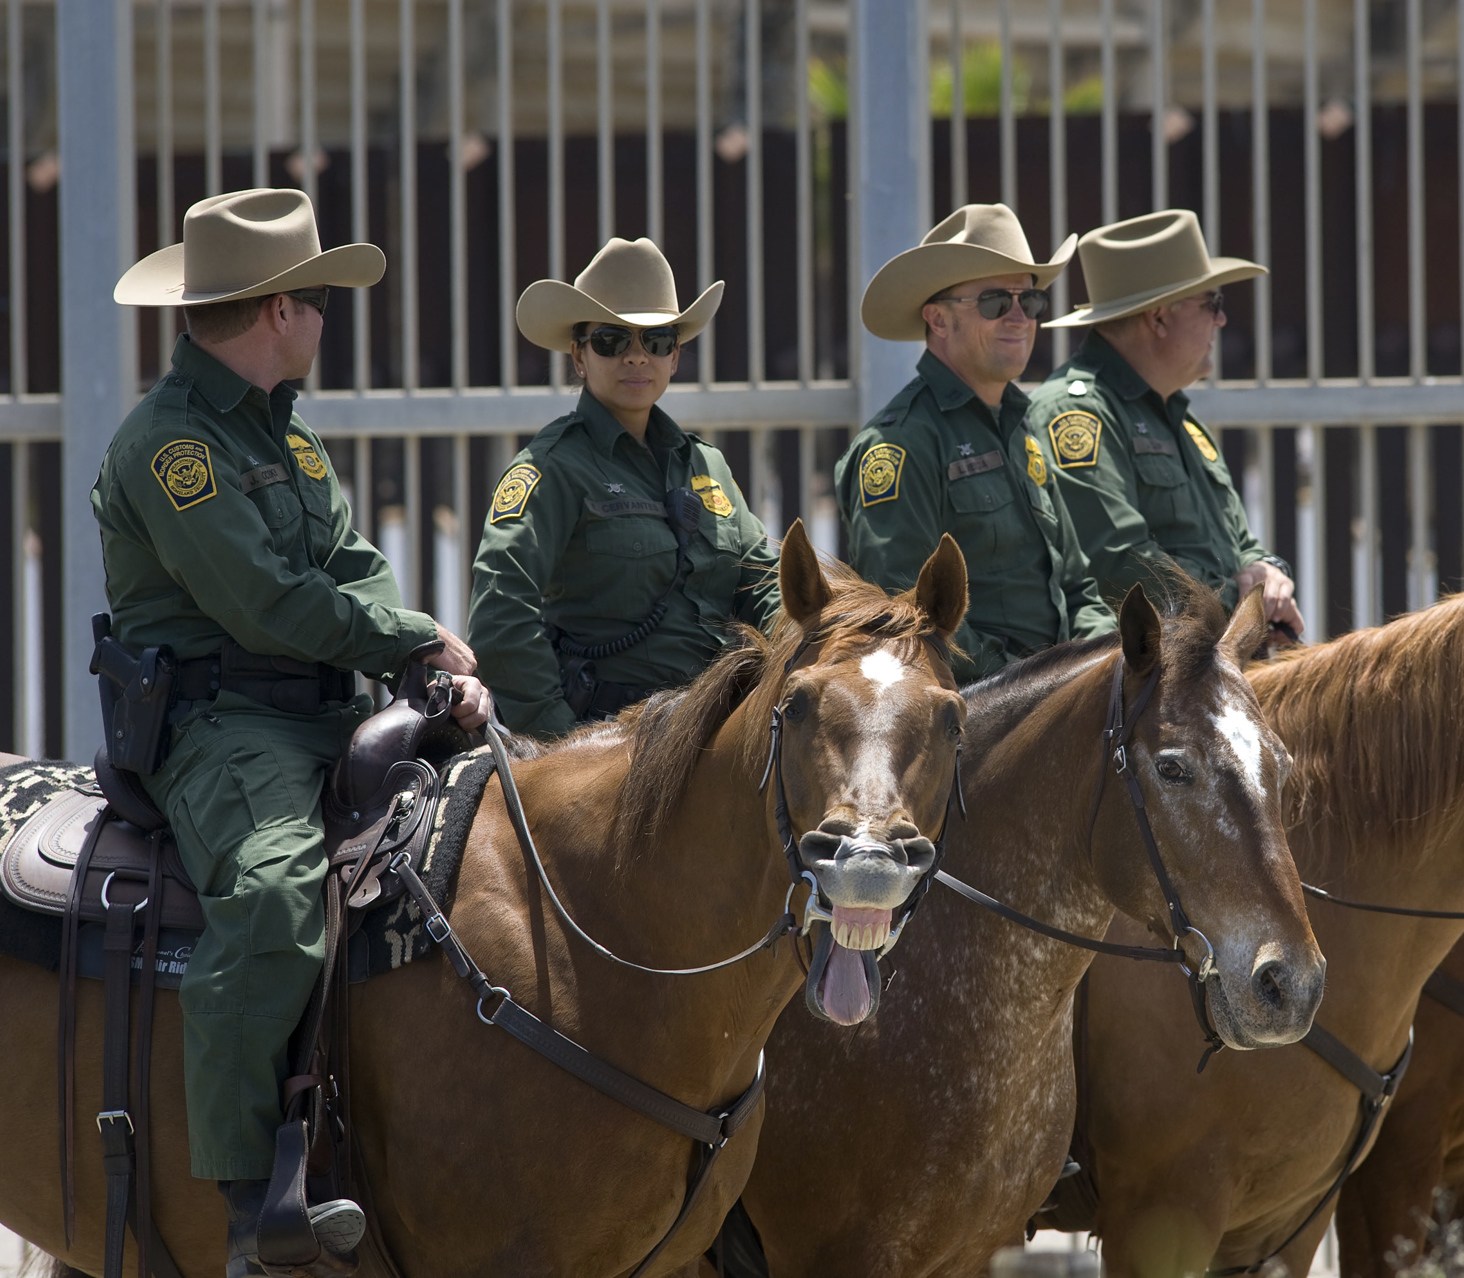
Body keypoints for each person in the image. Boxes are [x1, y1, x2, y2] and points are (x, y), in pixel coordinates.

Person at [97, 187, 492, 1275]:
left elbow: (350, 564)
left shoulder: (288, 429)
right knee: (275, 898)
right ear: (279, 309)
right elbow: (265, 600)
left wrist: (421, 665)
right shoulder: (169, 447)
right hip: (224, 729)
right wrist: (415, 635)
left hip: (328, 710)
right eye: (319, 298)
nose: (326, 317)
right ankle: (248, 1215)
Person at [468, 238, 780, 736]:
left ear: (675, 357)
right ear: (579, 356)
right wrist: (561, 743)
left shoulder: (708, 465)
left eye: (657, 340)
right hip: (608, 741)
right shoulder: (552, 468)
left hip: (714, 734)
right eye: (612, 340)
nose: (637, 357)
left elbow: (767, 586)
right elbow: (500, 614)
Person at [837, 203, 1114, 682]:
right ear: (938, 320)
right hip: (977, 706)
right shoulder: (899, 444)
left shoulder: (1019, 427)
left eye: (1031, 302)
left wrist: (1107, 658)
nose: (1019, 318)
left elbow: (1076, 585)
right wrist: (1031, 683)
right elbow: (909, 617)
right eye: (995, 302)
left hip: (1059, 694)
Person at [1029, 209, 1304, 639]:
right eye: (1212, 303)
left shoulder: (1173, 414)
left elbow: (1237, 542)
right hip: (1149, 669)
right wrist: (1241, 603)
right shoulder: (1076, 412)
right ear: (1158, 318)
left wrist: (1268, 572)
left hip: (1209, 654)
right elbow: (1119, 564)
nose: (1221, 320)